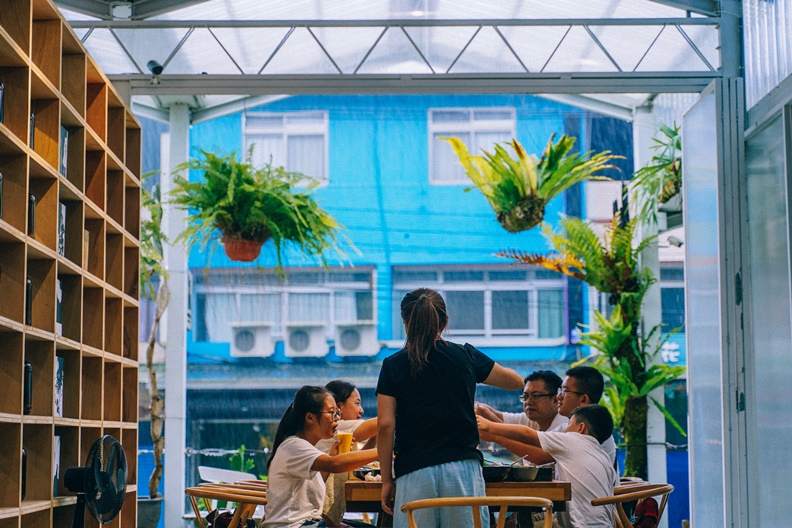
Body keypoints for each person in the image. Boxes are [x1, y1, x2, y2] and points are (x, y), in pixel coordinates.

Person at [376, 288, 525, 528]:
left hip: (414, 473)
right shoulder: (466, 355)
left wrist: (386, 481)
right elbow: (516, 382)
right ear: (444, 322)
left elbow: (384, 425)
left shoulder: (393, 365)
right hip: (463, 472)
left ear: (405, 322)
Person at [477, 404, 618, 528]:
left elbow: (527, 434)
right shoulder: (603, 456)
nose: (565, 429)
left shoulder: (573, 440)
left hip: (577, 525)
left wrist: (489, 426)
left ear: (581, 428)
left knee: (514, 524)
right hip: (604, 524)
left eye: (569, 424)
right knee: (518, 522)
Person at [263, 386, 379, 528]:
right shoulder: (294, 446)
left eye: (337, 412)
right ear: (310, 417)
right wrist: (385, 454)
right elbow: (334, 464)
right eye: (332, 413)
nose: (337, 418)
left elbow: (317, 481)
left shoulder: (305, 447)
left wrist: (332, 455)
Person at [317, 380, 378, 527]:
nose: (361, 410)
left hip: (324, 518)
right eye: (357, 403)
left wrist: (377, 434)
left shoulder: (337, 432)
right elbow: (383, 422)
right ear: (338, 406)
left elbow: (354, 461)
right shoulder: (336, 428)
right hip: (319, 519)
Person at [556, 366, 616, 464]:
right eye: (561, 390)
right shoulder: (569, 425)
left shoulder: (592, 429)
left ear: (583, 399)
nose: (558, 396)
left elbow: (543, 456)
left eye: (565, 391)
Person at [476, 370, 568, 432]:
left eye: (535, 396)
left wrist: (490, 424)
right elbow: (498, 415)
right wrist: (476, 407)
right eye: (525, 396)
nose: (528, 402)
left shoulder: (564, 426)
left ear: (556, 400)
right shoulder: (533, 419)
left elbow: (535, 452)